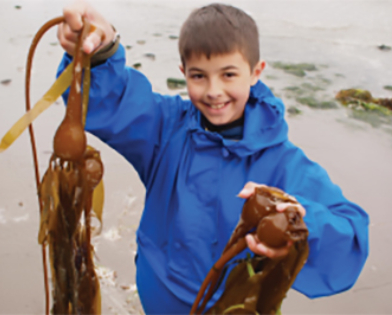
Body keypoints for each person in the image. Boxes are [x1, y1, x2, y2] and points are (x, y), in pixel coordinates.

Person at [57, 1, 369, 314]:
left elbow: (349, 234)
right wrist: (101, 52)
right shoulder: (165, 129)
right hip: (157, 300)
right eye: (199, 76)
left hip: (235, 305)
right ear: (183, 74)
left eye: (229, 74)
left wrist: (301, 220)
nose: (213, 91)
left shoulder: (282, 164)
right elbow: (111, 100)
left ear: (255, 72)